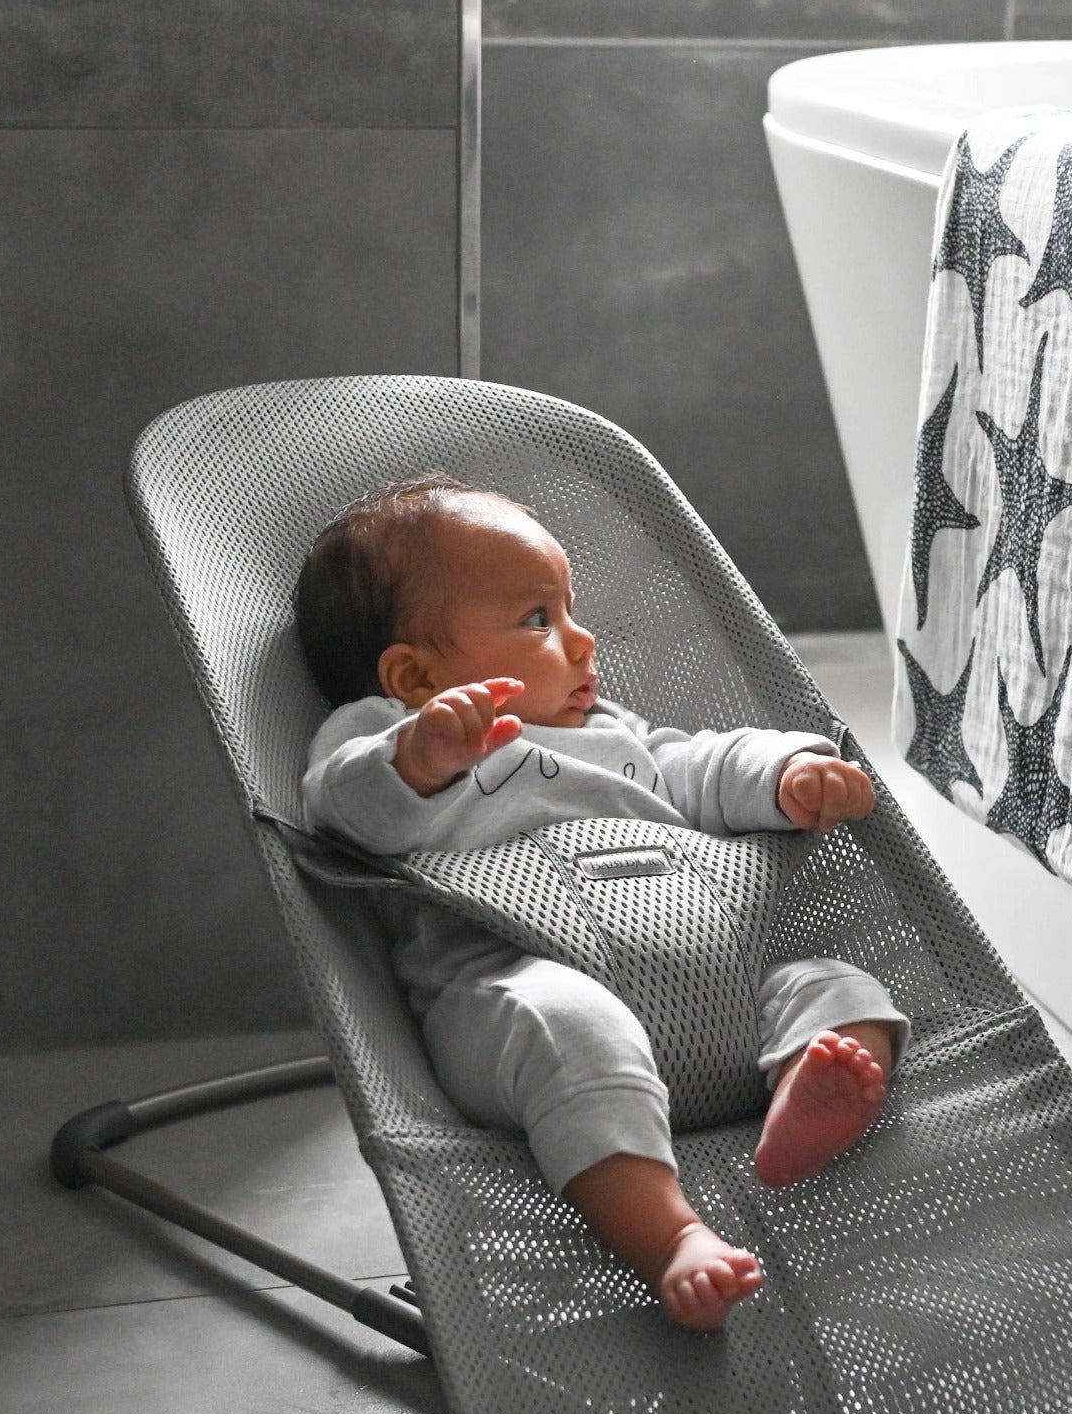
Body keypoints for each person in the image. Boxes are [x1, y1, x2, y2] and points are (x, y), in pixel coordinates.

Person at [295, 472, 905, 1331]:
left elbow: (700, 765)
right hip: (519, 982)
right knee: (567, 1028)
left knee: (836, 983)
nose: (582, 641)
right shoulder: (390, 742)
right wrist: (419, 755)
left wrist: (787, 773)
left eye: (569, 610)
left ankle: (811, 1087)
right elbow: (343, 808)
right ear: (417, 675)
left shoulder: (613, 734)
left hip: (722, 994)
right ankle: (671, 1236)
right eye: (537, 619)